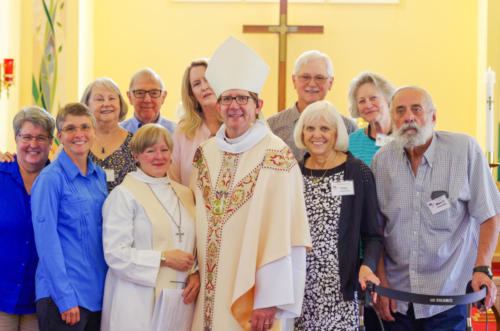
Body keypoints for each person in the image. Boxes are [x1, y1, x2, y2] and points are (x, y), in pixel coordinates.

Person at [190, 37, 312, 331]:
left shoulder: (276, 156)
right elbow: (195, 217)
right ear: (218, 106)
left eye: (242, 99)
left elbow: (284, 234)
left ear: (258, 105)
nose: (234, 106)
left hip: (253, 296)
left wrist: (268, 299)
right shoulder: (204, 154)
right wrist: (193, 270)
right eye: (228, 99)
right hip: (206, 290)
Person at [371, 86, 500, 330]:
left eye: (416, 109)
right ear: (392, 119)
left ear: (432, 117)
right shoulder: (382, 161)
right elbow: (377, 228)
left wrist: (482, 268)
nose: (409, 117)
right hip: (397, 299)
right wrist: (383, 283)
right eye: (400, 110)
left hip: (448, 299)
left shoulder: (464, 150)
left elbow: (490, 214)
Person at [292, 100, 382, 330]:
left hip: (340, 289)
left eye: (324, 128)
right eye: (310, 128)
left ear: (337, 133)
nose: (316, 135)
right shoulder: (293, 174)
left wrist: (367, 266)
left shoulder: (358, 172)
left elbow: (373, 235)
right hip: (298, 288)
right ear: (302, 133)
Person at [101, 124, 199, 331]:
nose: (158, 156)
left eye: (164, 150)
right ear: (136, 156)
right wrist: (163, 258)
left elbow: (196, 243)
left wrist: (196, 272)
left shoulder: (184, 194)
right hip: (137, 299)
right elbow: (115, 254)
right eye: (150, 151)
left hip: (180, 298)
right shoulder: (124, 195)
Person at [31, 103, 108, 331]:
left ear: (94, 132)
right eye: (71, 129)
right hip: (62, 298)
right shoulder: (49, 179)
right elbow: (46, 242)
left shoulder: (99, 177)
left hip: (96, 296)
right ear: (60, 136)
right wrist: (65, 298)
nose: (79, 134)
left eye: (85, 127)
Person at [0, 106, 54, 331]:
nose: (33, 144)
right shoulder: (2, 174)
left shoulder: (58, 181)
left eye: (41, 137)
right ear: (15, 139)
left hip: (41, 297)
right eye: (27, 137)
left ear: (51, 142)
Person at [268, 50, 358, 162]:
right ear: (294, 80)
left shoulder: (348, 128)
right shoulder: (272, 126)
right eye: (305, 77)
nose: (311, 84)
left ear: (330, 82)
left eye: (319, 78)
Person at [169, 58, 222, 185]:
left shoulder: (237, 125)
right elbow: (174, 182)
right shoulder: (183, 130)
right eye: (196, 84)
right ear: (191, 94)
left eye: (208, 80)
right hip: (190, 204)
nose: (204, 87)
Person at [81, 77, 136, 191]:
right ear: (87, 105)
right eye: (99, 99)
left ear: (120, 104)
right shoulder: (76, 142)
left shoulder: (136, 143)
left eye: (112, 98)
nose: (106, 104)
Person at [347, 71, 395, 166]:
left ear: (388, 99)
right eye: (362, 101)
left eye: (373, 98)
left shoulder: (406, 136)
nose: (368, 105)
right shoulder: (352, 141)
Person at [121, 68, 176, 134]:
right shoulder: (116, 135)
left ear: (163, 97)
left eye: (154, 93)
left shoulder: (177, 133)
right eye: (140, 93)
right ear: (129, 97)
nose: (147, 100)